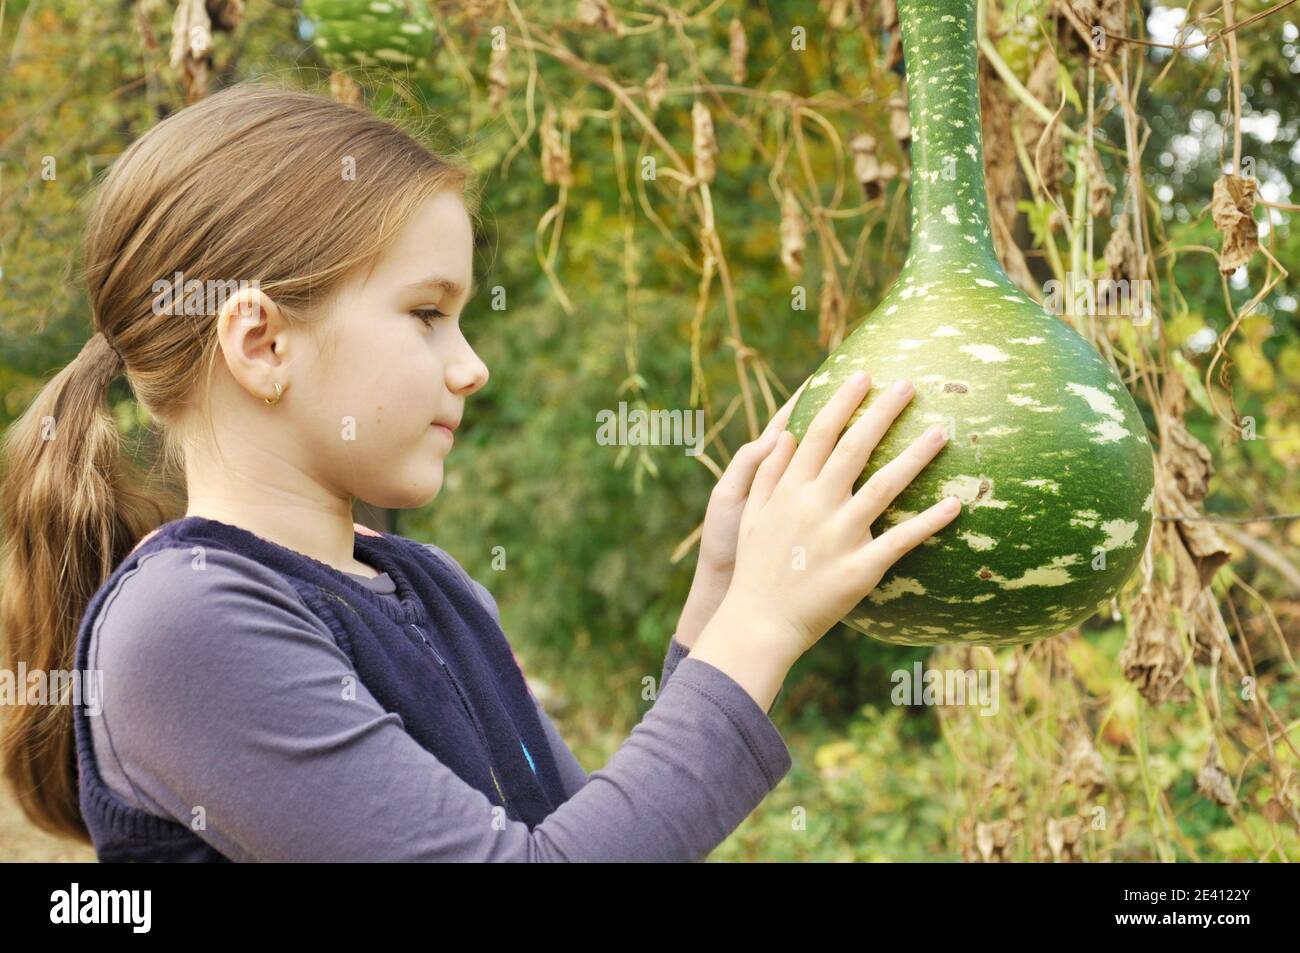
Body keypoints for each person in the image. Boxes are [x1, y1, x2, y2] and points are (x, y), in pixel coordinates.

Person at [0, 81, 960, 861]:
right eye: (426, 313)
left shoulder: (428, 583)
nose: (471, 365)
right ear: (260, 341)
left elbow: (577, 841)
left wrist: (719, 600)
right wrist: (766, 622)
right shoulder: (188, 627)